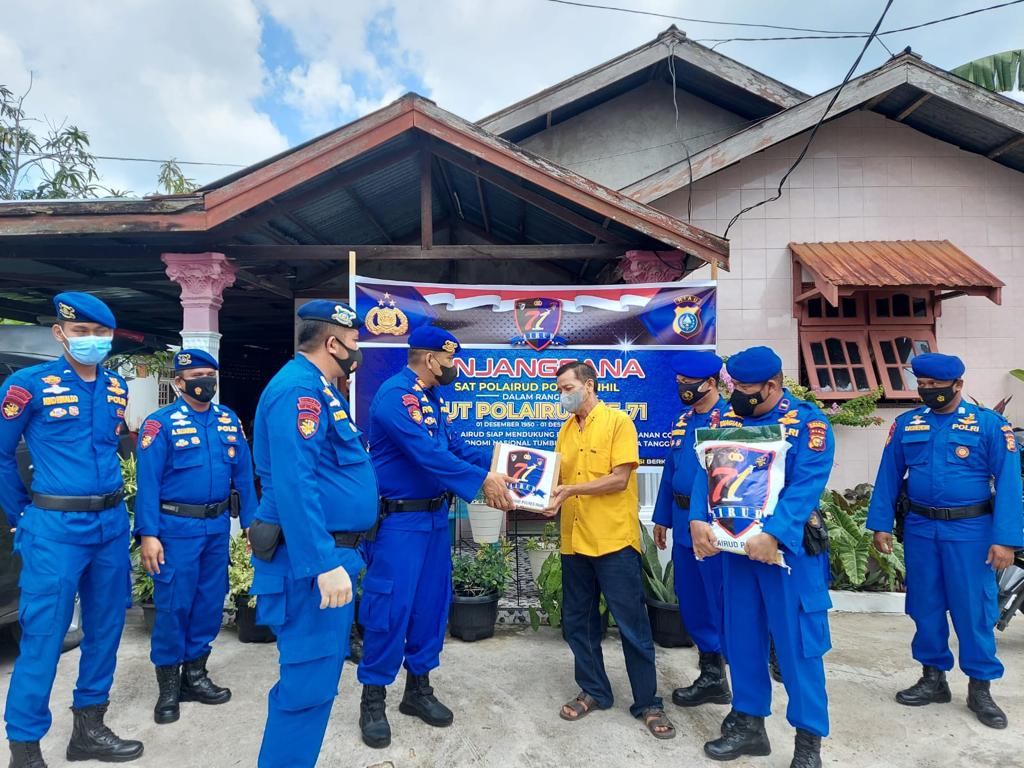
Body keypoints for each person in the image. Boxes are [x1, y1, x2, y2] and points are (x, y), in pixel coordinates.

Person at [0, 292, 144, 767]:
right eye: (82, 333)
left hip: (107, 524)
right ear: (60, 334)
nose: (93, 341)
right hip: (55, 527)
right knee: (44, 635)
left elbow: (113, 448)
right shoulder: (28, 384)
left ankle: (89, 729)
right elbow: (2, 456)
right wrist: (23, 515)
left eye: (101, 333)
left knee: (106, 629)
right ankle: (24, 748)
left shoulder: (117, 386)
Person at [357, 325, 512, 749]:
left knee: (430, 606)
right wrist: (484, 482)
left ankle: (417, 690)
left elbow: (456, 448)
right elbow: (427, 455)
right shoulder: (395, 396)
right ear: (429, 360)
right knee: (390, 608)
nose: (453, 369)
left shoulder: (429, 399)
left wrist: (510, 463)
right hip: (399, 525)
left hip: (432, 523)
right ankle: (373, 698)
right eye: (449, 361)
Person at [689, 346, 833, 768]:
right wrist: (698, 519)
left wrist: (774, 535)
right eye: (732, 386)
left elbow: (807, 484)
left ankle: (809, 744)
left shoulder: (807, 423)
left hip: (785, 555)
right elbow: (707, 470)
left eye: (744, 388)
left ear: (771, 386)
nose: (734, 395)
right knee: (743, 638)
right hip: (736, 551)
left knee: (798, 648)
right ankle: (750, 726)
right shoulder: (728, 420)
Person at [249, 301, 377, 768]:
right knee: (306, 687)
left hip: (326, 554)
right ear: (332, 343)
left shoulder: (321, 389)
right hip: (309, 562)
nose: (357, 351)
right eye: (355, 342)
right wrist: (322, 562)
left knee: (316, 683)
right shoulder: (298, 390)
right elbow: (293, 481)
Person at [867, 353, 1022, 729]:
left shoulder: (989, 425)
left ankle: (980, 687)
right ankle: (932, 678)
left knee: (975, 611)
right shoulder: (907, 424)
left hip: (971, 532)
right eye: (923, 386)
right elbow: (889, 475)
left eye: (936, 386)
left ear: (958, 386)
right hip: (921, 529)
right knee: (925, 606)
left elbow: (1009, 483)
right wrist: (881, 525)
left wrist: (1005, 540)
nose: (928, 392)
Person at [544, 360, 675, 740]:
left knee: (632, 625)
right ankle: (595, 691)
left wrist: (569, 491)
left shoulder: (619, 422)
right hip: (575, 540)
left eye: (567, 387)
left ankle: (648, 702)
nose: (562, 395)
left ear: (589, 385)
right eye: (559, 389)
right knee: (579, 623)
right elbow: (558, 481)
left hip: (614, 542)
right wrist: (546, 499)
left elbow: (619, 480)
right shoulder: (565, 431)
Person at [133, 348, 258, 725]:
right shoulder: (161, 424)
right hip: (175, 530)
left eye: (210, 374)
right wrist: (148, 535)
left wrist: (252, 523)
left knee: (208, 602)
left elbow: (244, 475)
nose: (206, 382)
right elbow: (148, 485)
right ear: (179, 382)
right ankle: (169, 687)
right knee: (174, 606)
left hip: (217, 526)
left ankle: (196, 675)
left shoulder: (227, 420)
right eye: (198, 375)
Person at [652, 350, 730, 709]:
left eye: (689, 384)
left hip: (716, 525)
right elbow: (671, 471)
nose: (682, 388)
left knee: (721, 600)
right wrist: (662, 517)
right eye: (679, 383)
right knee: (693, 600)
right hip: (683, 524)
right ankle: (711, 674)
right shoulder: (683, 421)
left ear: (711, 384)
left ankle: (735, 672)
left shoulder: (731, 420)